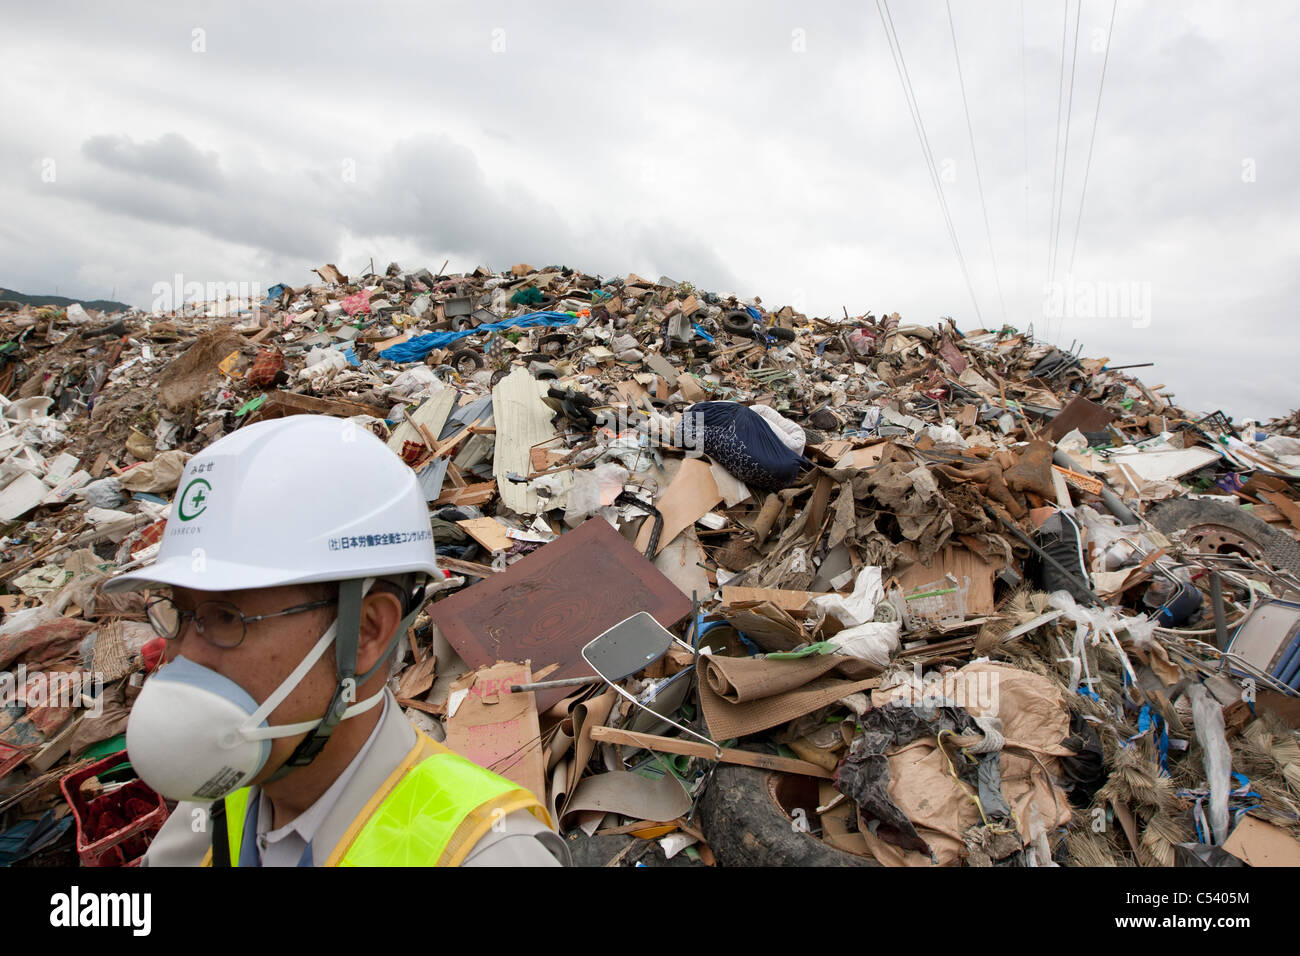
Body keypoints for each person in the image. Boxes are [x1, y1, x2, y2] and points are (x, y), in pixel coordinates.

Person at [104, 414, 568, 866]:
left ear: (367, 631)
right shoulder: (216, 803)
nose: (179, 657)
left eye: (224, 618)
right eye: (178, 615)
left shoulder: (486, 853)